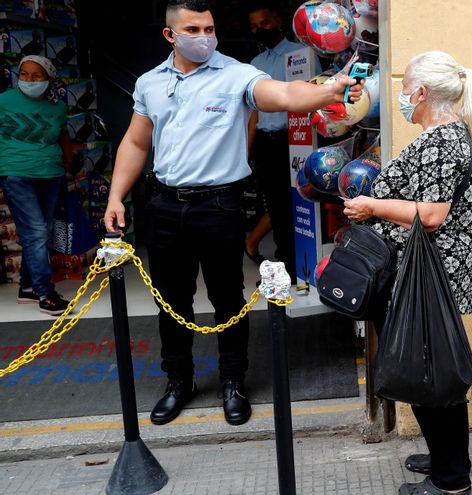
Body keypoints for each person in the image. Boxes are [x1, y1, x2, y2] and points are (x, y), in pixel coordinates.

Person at [103, 0, 361, 427]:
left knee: (227, 300)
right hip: (165, 206)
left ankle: (232, 383)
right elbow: (135, 142)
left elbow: (283, 95)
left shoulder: (236, 74)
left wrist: (328, 90)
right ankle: (179, 382)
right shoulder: (150, 83)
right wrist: (116, 197)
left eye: (209, 28)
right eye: (193, 29)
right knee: (171, 301)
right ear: (171, 35)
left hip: (219, 206)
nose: (204, 36)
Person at [343, 50, 472, 495]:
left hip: (428, 275)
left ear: (422, 93)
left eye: (406, 88)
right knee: (432, 369)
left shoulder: (441, 142)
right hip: (429, 271)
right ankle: (448, 457)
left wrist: (371, 206)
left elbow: (431, 214)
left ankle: (451, 481)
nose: (402, 96)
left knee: (429, 373)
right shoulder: (449, 136)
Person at [0, 55, 72, 316]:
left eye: (37, 75)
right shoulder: (4, 101)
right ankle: (45, 294)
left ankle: (28, 287)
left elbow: (63, 135)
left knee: (44, 230)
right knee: (36, 232)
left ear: (49, 80)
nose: (29, 80)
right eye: (25, 74)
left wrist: (67, 163)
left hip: (50, 174)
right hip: (16, 173)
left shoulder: (57, 108)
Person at [244, 3, 306, 273]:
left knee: (298, 202)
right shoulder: (255, 64)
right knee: (275, 205)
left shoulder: (300, 55)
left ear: (278, 20)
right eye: (254, 26)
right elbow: (253, 115)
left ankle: (299, 263)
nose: (260, 30)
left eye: (264, 23)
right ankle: (285, 262)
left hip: (294, 139)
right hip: (266, 144)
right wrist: (246, 151)